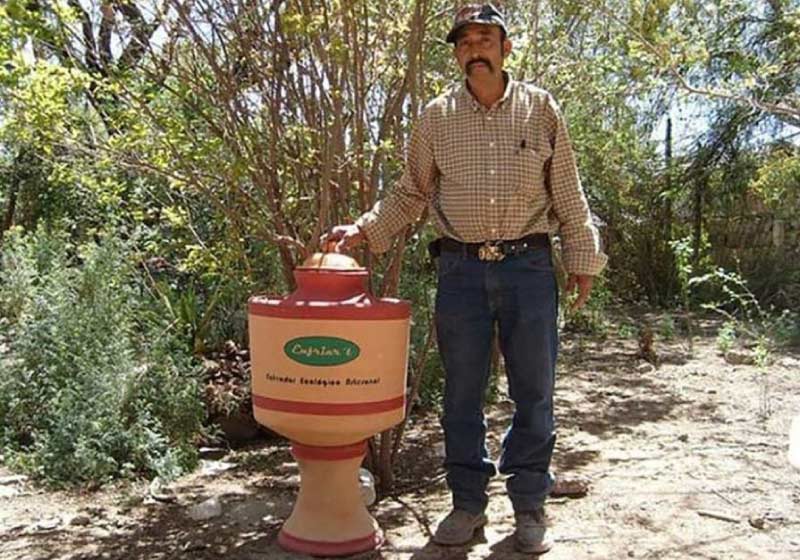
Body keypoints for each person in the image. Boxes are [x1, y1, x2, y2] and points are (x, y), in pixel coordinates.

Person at [323, 3, 607, 554]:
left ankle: (529, 505)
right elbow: (411, 192)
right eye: (465, 42)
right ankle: (467, 505)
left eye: (485, 38)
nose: (475, 49)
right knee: (460, 395)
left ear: (504, 47)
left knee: (535, 391)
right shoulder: (435, 117)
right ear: (456, 54)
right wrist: (362, 230)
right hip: (460, 270)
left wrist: (582, 258)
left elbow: (568, 191)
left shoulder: (540, 109)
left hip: (528, 267)